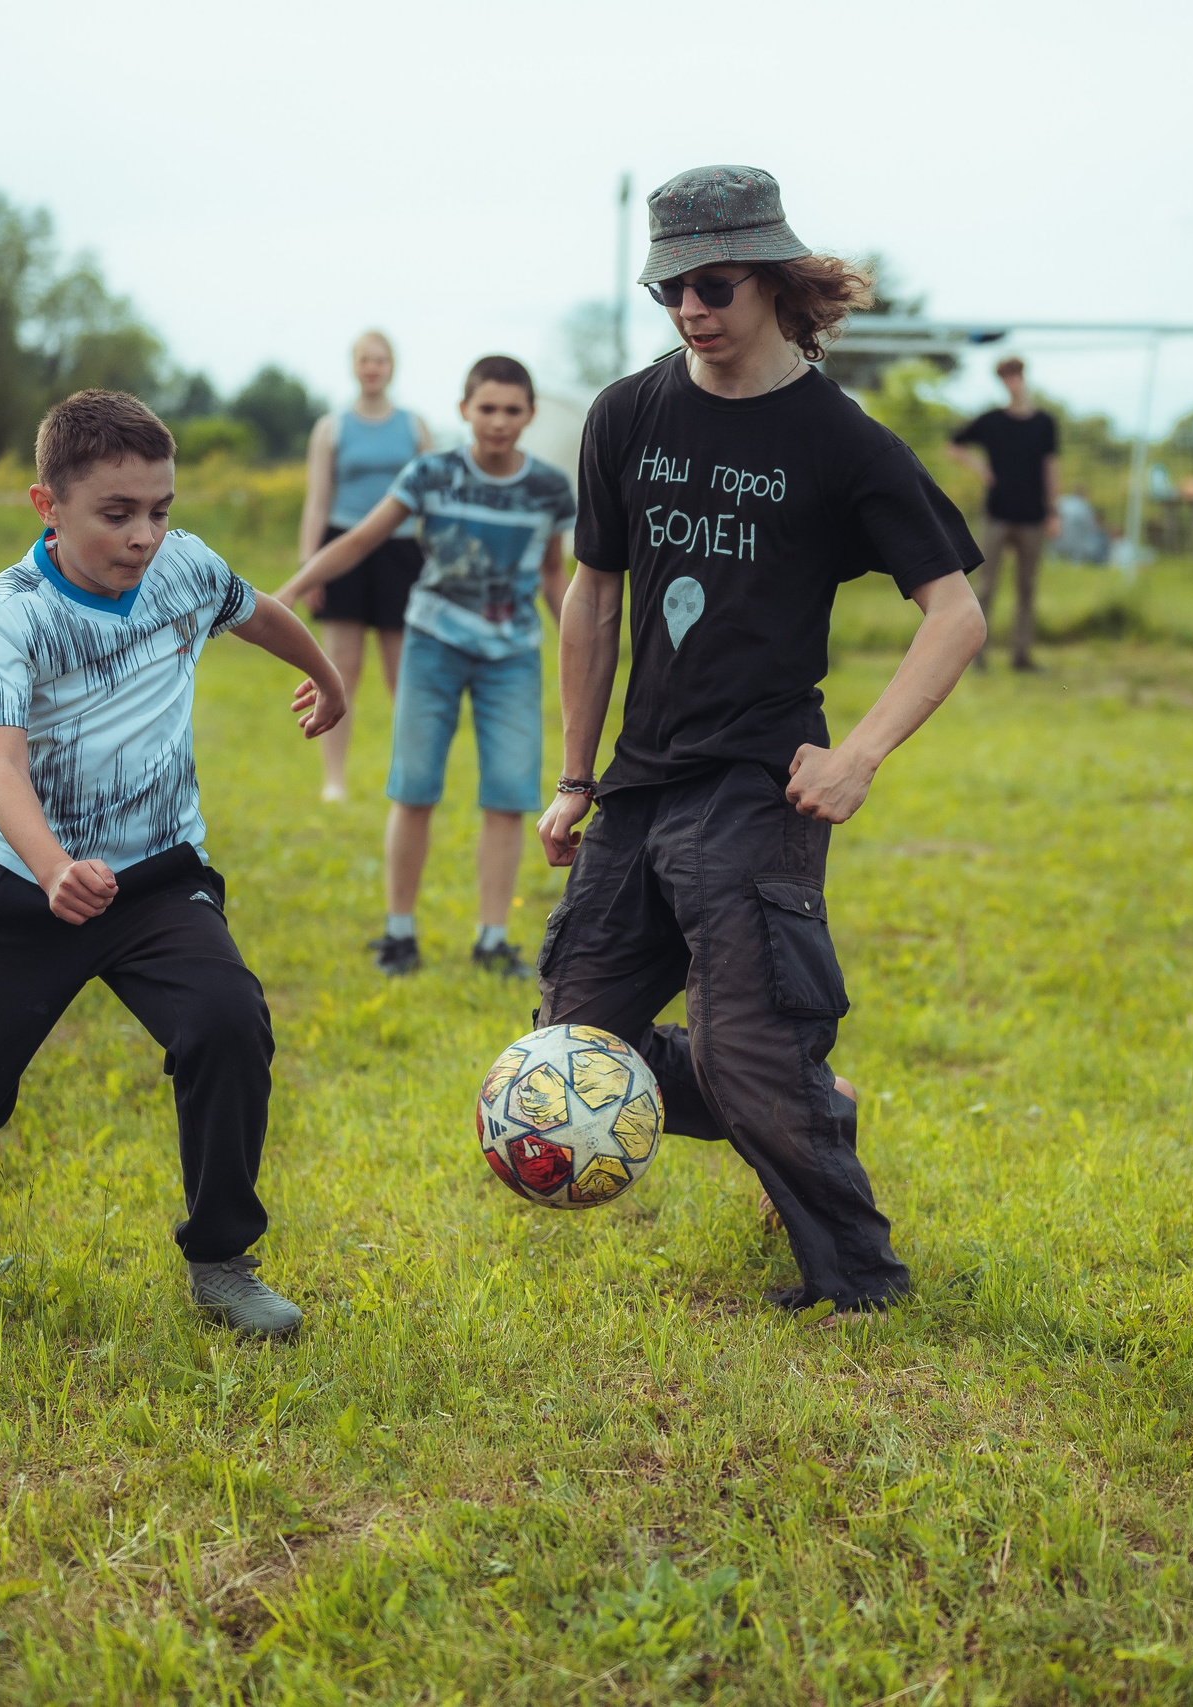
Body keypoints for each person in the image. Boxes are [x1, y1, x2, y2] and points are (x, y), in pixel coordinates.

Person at [536, 165, 987, 1318]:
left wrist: (861, 756)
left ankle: (862, 1282)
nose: (691, 308)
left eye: (715, 284)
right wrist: (576, 776)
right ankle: (790, 1085)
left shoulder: (843, 443)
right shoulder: (627, 413)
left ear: (774, 280)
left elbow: (956, 612)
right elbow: (592, 598)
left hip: (758, 783)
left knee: (742, 1050)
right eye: (670, 288)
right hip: (638, 787)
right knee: (571, 1048)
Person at [0, 389, 348, 1339]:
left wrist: (326, 676)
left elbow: (256, 608)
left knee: (227, 1021)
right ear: (49, 505)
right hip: (26, 887)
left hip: (160, 878)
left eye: (159, 509)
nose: (145, 535)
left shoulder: (186, 565)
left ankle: (222, 1262)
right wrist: (51, 868)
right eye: (117, 514)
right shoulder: (10, 611)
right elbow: (0, 758)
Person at [282, 356, 575, 979]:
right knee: (413, 788)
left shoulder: (549, 488)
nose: (498, 422)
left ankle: (493, 939)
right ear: (463, 410)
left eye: (512, 410)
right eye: (486, 408)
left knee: (508, 795)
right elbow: (360, 540)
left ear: (530, 415)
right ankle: (399, 934)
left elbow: (553, 571)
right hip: (432, 644)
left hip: (513, 654)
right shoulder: (432, 474)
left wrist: (579, 638)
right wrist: (282, 596)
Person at [301, 331, 435, 800]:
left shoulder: (416, 427)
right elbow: (318, 501)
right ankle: (334, 779)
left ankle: (406, 777)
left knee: (402, 674)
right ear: (354, 366)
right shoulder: (331, 428)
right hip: (342, 549)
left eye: (380, 359)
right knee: (340, 671)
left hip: (401, 552)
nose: (372, 367)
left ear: (392, 366)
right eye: (364, 359)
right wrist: (309, 567)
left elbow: (434, 502)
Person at [947, 356, 1060, 671]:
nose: (1013, 382)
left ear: (1024, 377)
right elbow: (954, 445)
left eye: (1016, 375)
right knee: (985, 587)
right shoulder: (992, 421)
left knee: (1027, 588)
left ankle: (1021, 656)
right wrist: (981, 468)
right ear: (1002, 382)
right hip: (997, 515)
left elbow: (1051, 467)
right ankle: (977, 655)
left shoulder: (1044, 423)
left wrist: (1054, 510)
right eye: (1007, 377)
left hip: (1034, 517)